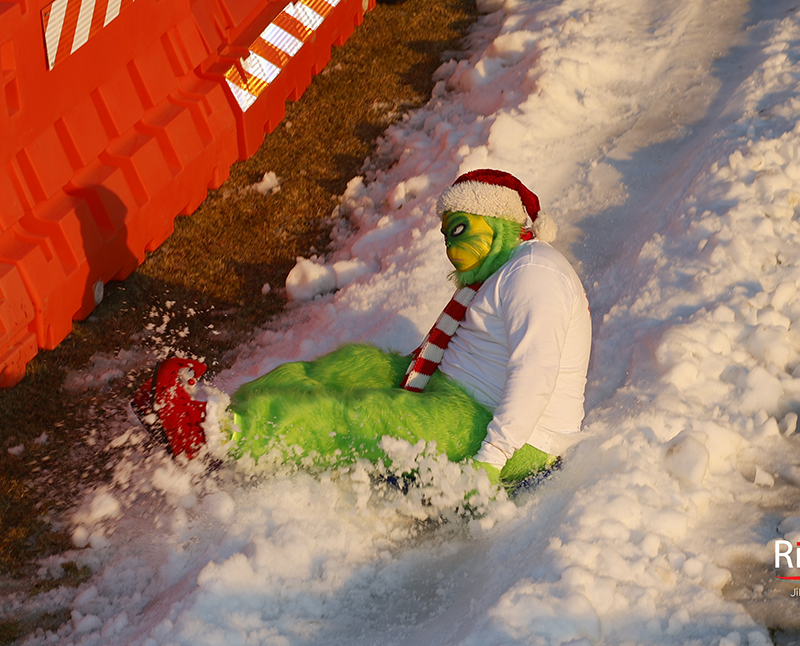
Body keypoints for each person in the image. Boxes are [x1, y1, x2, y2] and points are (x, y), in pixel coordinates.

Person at [132, 170, 591, 485]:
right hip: (458, 393)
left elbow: (536, 376)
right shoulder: (499, 269)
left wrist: (490, 462)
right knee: (352, 367)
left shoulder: (535, 274)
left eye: (461, 229)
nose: (451, 246)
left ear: (499, 221)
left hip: (510, 434)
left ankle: (221, 437)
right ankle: (221, 413)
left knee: (363, 415)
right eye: (446, 233)